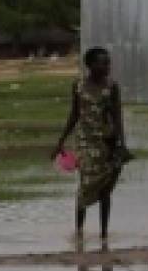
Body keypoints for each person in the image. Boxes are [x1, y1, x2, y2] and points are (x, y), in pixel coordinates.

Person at [53, 47, 133, 240]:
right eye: (102, 63)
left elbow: (117, 116)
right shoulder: (78, 86)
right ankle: (79, 231)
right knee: (86, 183)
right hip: (85, 142)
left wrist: (121, 144)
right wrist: (61, 141)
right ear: (89, 65)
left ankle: (104, 234)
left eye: (108, 63)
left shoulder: (112, 87)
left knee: (106, 188)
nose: (107, 67)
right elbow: (74, 114)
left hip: (106, 141)